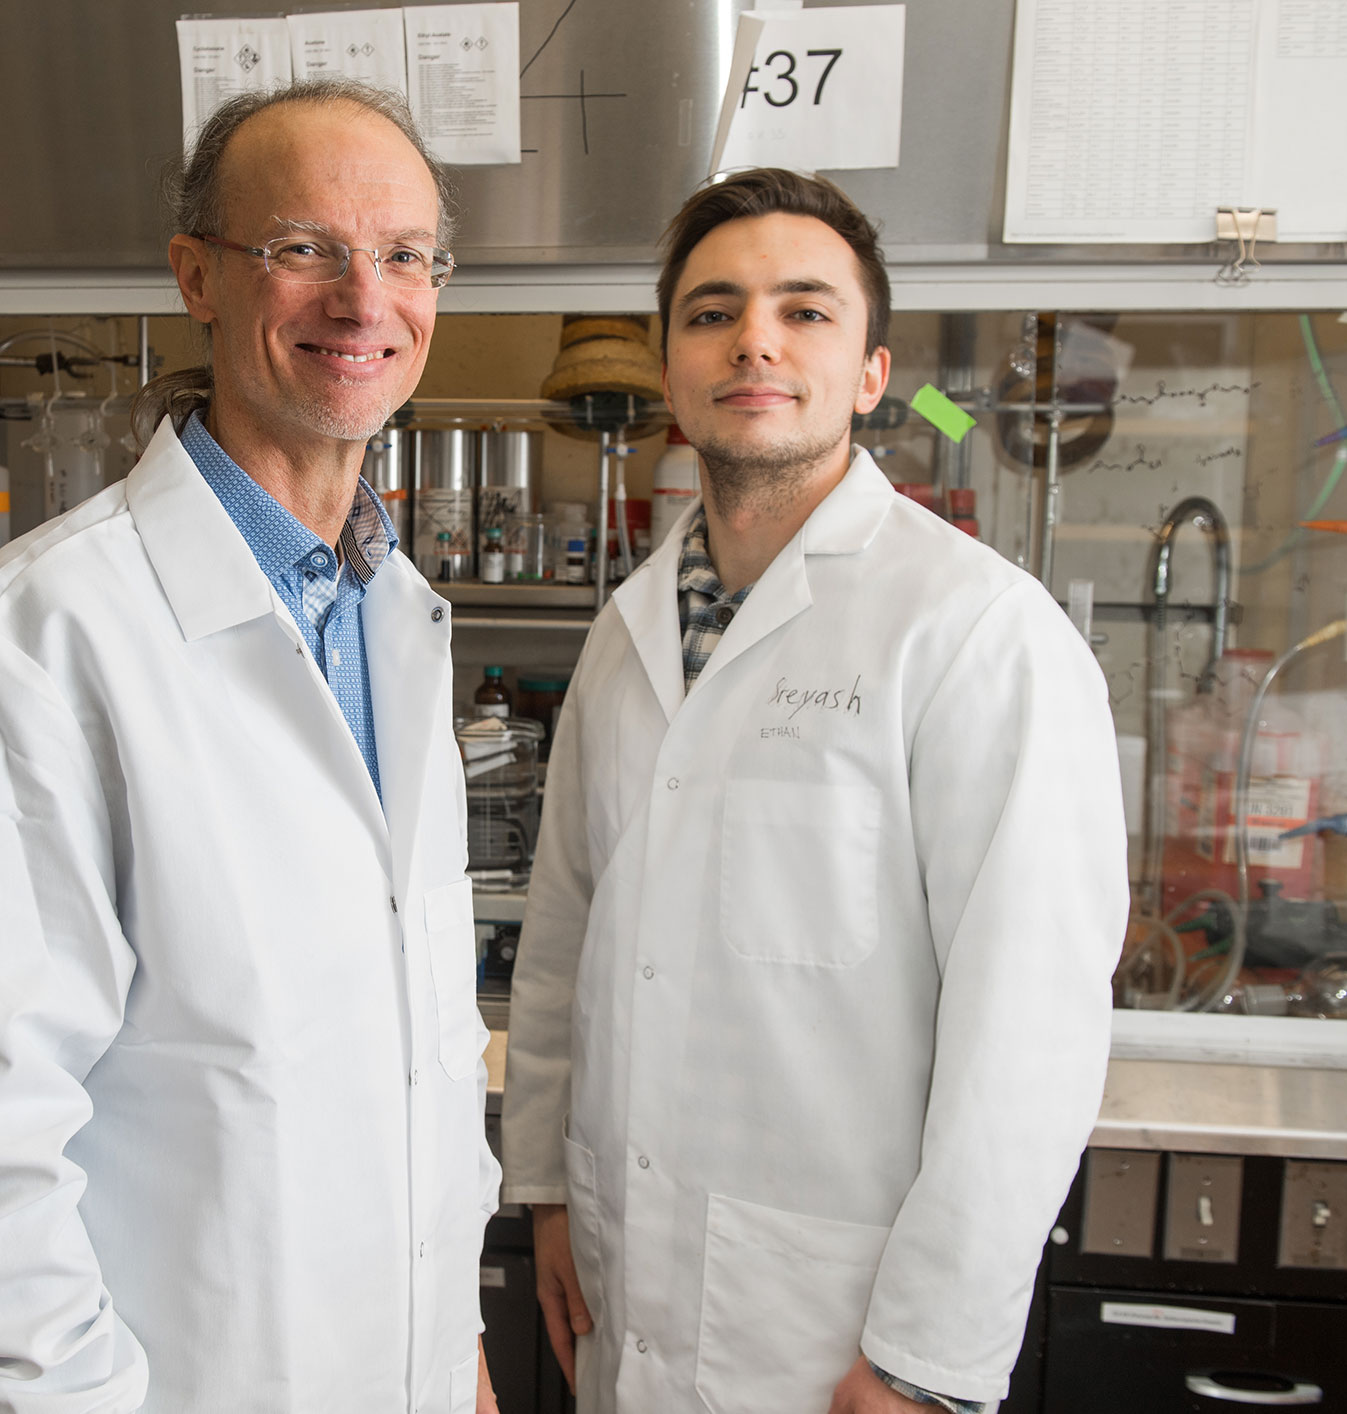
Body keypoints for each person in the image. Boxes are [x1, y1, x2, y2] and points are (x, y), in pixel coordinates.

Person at [0, 79, 500, 1414]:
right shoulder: (41, 638)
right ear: (199, 277)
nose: (364, 298)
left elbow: (418, 1058)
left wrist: (450, 1339)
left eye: (405, 255)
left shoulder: (394, 617)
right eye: (304, 249)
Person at [500, 168, 1128, 1414]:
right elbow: (565, 941)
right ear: (674, 374)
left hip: (835, 1332)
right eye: (711, 311)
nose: (754, 341)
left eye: (804, 310)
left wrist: (926, 1363)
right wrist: (550, 1189)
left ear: (870, 372)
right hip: (630, 1292)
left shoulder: (972, 631)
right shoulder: (626, 640)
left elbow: (1031, 1034)